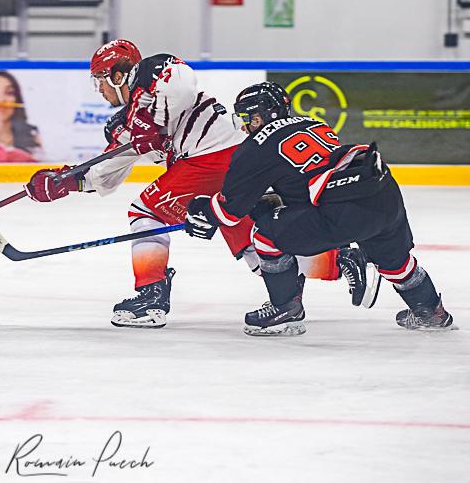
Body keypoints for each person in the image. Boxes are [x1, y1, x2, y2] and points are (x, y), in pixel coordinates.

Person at [23, 40, 373, 329]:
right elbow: (109, 169)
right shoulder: (129, 122)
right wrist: (66, 182)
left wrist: (151, 120)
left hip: (214, 153)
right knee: (250, 243)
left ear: (117, 74)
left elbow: (182, 80)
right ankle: (340, 260)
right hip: (224, 160)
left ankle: (151, 296)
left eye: (100, 79)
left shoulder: (152, 73)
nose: (98, 89)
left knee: (147, 209)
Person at [184, 81, 455, 336]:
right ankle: (431, 312)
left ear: (260, 116)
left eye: (247, 120)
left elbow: (229, 211)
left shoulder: (255, 146)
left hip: (344, 210)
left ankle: (285, 310)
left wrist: (202, 210)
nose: (244, 128)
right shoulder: (315, 123)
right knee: (394, 261)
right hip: (381, 188)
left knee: (265, 235)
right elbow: (311, 175)